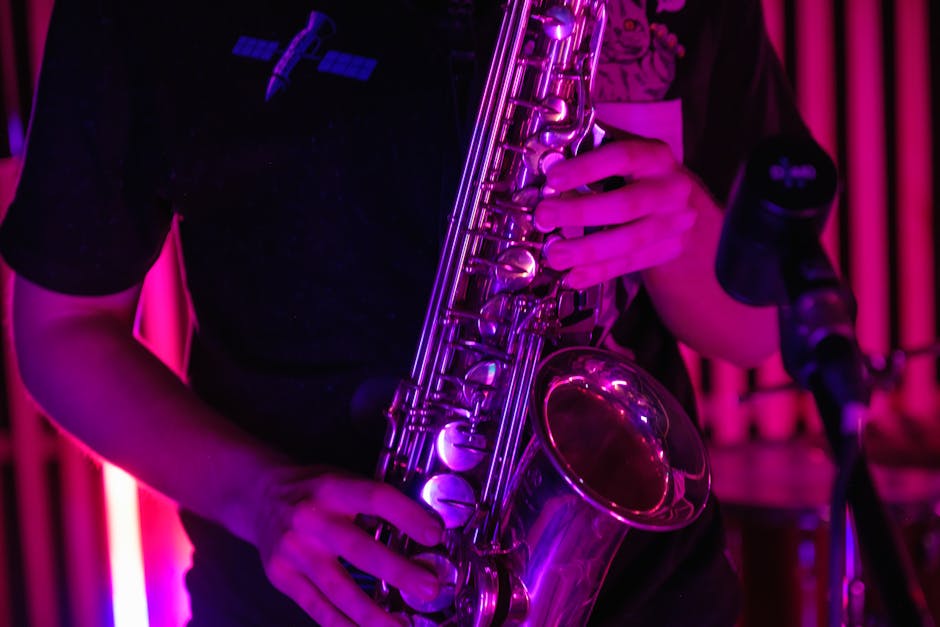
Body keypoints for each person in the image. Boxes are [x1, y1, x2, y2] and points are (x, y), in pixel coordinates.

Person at [0, 0, 810, 625]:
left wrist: (683, 226)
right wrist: (260, 496)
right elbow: (61, 329)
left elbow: (756, 328)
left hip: (646, 598)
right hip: (303, 601)